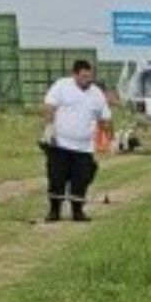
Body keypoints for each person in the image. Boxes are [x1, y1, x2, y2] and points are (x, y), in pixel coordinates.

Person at [41, 60, 112, 222]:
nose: (88, 79)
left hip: (84, 148)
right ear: (74, 74)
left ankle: (78, 212)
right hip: (60, 144)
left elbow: (105, 118)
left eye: (90, 76)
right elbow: (50, 106)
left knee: (81, 180)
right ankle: (54, 211)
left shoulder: (97, 94)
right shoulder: (62, 86)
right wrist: (49, 128)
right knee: (56, 179)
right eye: (84, 76)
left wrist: (110, 140)